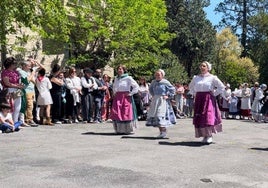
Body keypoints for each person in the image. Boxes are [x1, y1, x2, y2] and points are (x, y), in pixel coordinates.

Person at [189, 61, 225, 144]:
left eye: (204, 66)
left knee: (207, 117)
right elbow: (191, 86)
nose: (202, 67)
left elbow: (221, 87)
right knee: (200, 117)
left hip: (208, 98)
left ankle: (209, 135)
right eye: (201, 66)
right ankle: (204, 135)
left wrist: (214, 93)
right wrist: (195, 93)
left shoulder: (212, 77)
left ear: (208, 68)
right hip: (199, 98)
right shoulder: (196, 78)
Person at [145, 69, 176, 138]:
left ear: (162, 75)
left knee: (160, 115)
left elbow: (172, 89)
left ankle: (164, 131)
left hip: (162, 100)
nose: (157, 76)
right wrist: (154, 95)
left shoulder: (165, 82)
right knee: (156, 116)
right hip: (156, 100)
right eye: (156, 75)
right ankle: (161, 132)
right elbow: (150, 89)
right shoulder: (153, 82)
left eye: (159, 75)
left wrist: (168, 96)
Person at [110, 64, 139, 134]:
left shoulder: (128, 78)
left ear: (124, 70)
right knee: (117, 112)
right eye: (118, 69)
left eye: (121, 69)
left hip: (125, 97)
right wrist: (114, 93)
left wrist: (130, 94)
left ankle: (127, 130)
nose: (119, 70)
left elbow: (136, 86)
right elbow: (114, 86)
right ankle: (119, 130)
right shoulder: (116, 78)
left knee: (126, 112)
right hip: (118, 97)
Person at [1, 57, 24, 123]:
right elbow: (7, 83)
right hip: (9, 90)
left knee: (18, 107)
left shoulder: (16, 72)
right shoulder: (5, 72)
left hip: (17, 90)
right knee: (10, 106)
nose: (15, 64)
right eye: (14, 63)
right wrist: (17, 85)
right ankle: (8, 122)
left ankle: (15, 121)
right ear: (10, 64)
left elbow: (19, 80)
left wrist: (21, 85)